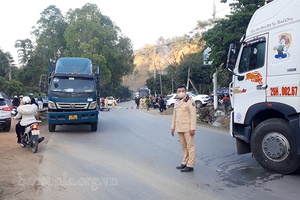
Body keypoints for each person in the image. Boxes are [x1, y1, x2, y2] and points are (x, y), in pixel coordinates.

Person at [171, 85, 197, 172]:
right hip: (179, 128)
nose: (181, 92)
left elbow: (193, 116)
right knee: (184, 146)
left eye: (182, 90)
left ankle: (190, 165)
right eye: (179, 91)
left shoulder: (190, 101)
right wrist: (173, 128)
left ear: (185, 92)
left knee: (190, 146)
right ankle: (185, 162)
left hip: (187, 128)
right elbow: (174, 116)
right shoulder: (177, 102)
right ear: (177, 92)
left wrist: (192, 128)